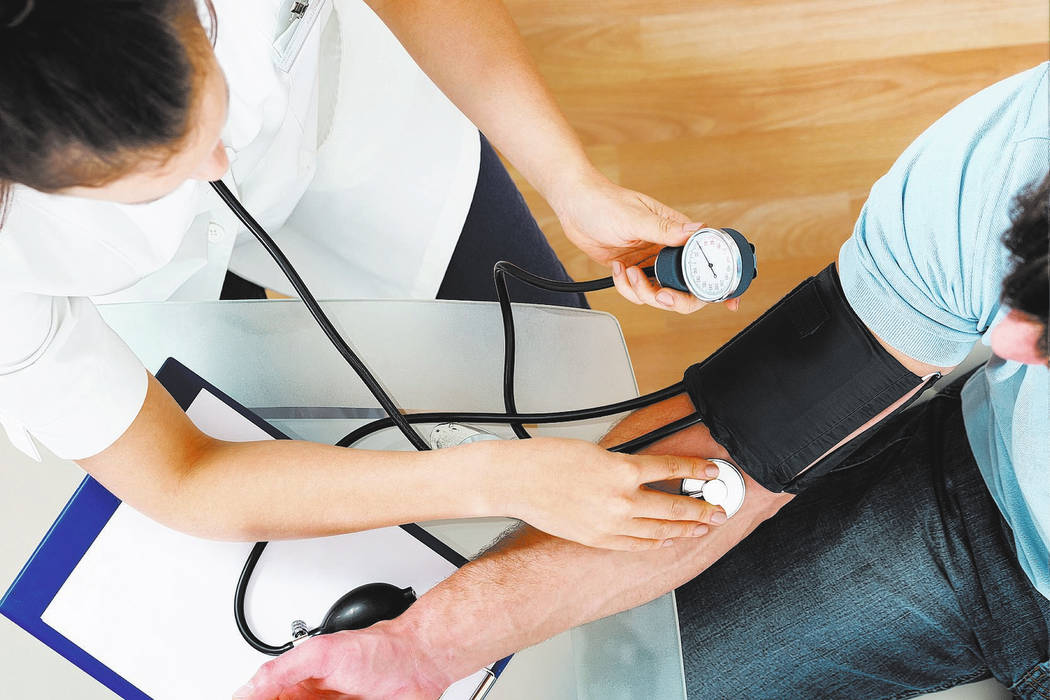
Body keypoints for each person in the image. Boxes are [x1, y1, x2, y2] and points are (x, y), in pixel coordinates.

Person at [234, 64, 1050, 699]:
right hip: (980, 515)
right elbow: (753, 435)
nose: (1003, 339)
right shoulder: (1013, 158)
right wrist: (424, 647)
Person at [0, 0, 736, 554]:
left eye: (209, 102)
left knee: (568, 388)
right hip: (143, 292)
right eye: (156, 181)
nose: (218, 169)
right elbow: (182, 476)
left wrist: (571, 180)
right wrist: (491, 480)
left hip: (349, 128)